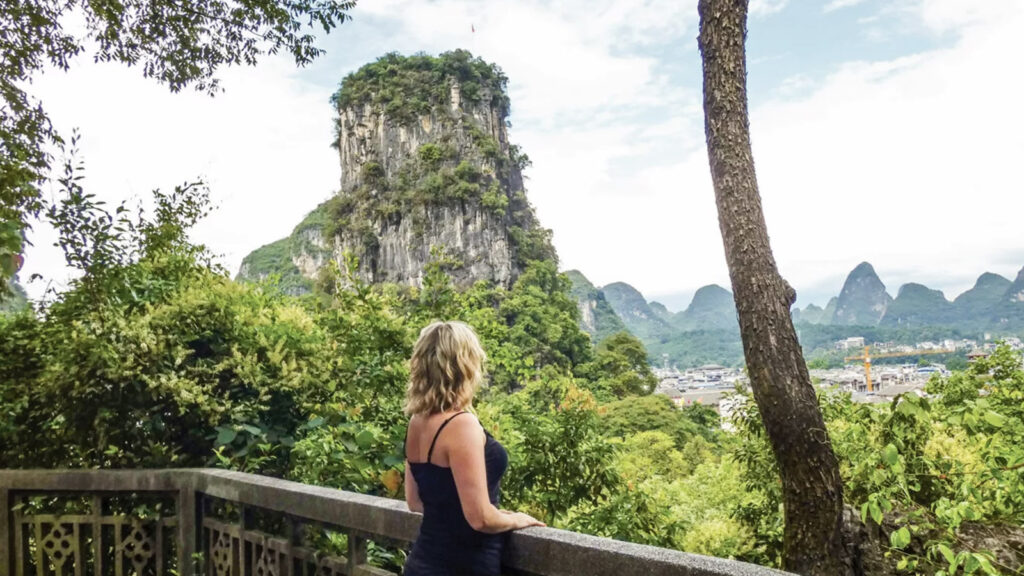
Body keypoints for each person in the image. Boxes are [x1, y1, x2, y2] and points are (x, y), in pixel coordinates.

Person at [403, 321, 544, 576]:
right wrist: (515, 519)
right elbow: (480, 518)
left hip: (422, 563)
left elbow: (414, 501)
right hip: (463, 566)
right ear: (465, 365)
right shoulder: (461, 424)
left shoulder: (417, 422)